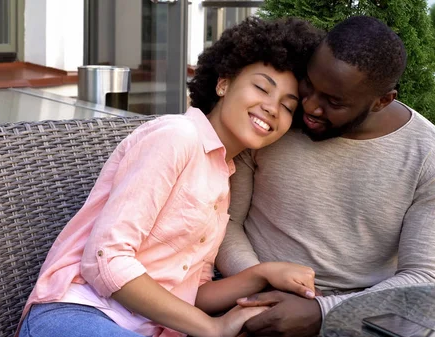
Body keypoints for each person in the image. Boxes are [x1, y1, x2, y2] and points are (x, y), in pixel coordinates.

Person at [17, 17, 324, 337]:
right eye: (261, 87)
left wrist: (261, 275)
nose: (272, 108)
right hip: (77, 314)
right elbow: (105, 260)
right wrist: (212, 328)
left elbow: (191, 291)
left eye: (288, 107)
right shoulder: (177, 137)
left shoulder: (222, 175)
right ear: (224, 83)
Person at [216, 15, 435, 336]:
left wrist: (322, 311)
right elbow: (225, 220)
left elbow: (426, 275)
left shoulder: (432, 158)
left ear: (382, 100)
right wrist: (258, 285)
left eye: (333, 101)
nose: (309, 106)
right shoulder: (274, 119)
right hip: (244, 294)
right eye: (310, 83)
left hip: (361, 314)